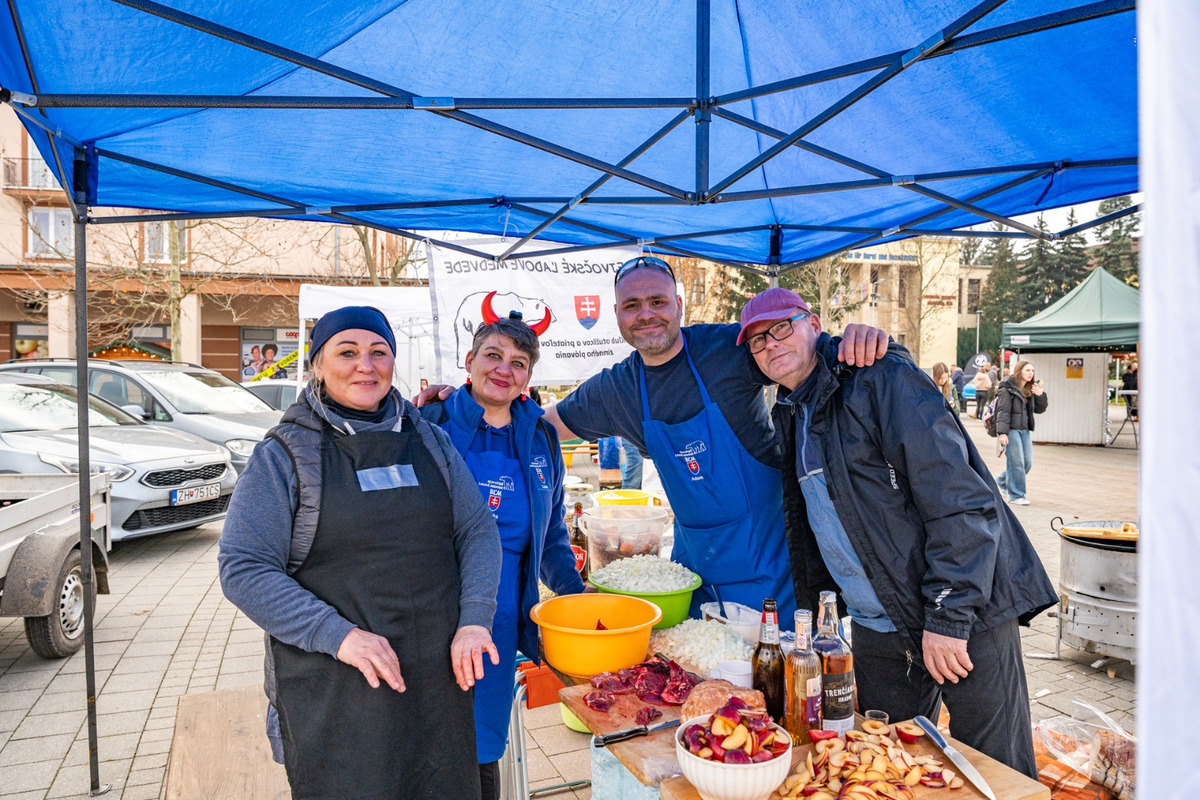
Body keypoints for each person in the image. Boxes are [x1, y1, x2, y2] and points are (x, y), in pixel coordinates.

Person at [417, 256, 888, 621]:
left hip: (775, 566)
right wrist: (464, 400)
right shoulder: (616, 389)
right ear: (617, 315)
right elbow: (537, 425)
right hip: (695, 577)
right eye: (632, 306)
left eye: (658, 302)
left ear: (678, 305)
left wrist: (852, 340)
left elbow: (800, 353)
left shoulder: (729, 349)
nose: (646, 315)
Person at [739, 287, 1056, 778]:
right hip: (879, 628)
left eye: (782, 327)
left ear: (814, 324)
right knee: (888, 769)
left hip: (963, 613)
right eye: (758, 340)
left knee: (997, 774)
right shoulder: (791, 412)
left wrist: (949, 616)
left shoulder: (879, 376)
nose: (771, 344)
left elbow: (959, 499)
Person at [218, 306, 502, 800]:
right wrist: (339, 636)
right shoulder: (285, 455)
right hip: (338, 686)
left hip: (436, 682)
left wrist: (475, 619)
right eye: (346, 352)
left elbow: (476, 530)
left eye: (378, 352)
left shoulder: (430, 440)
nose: (365, 366)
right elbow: (243, 567)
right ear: (318, 365)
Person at [418, 316, 585, 800]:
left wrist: (577, 598)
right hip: (428, 610)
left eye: (518, 362)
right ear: (469, 360)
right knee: (424, 740)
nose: (503, 370)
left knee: (481, 743)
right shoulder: (429, 423)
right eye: (493, 355)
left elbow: (551, 535)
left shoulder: (541, 437)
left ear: (528, 376)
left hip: (499, 621)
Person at [995, 360, 1048, 506]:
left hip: (1024, 429)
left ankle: (1001, 481)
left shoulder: (1030, 389)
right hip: (1010, 429)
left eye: (1032, 370)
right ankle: (1016, 495)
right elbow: (1003, 411)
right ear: (1019, 371)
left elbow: (1039, 409)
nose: (1031, 373)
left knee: (1027, 462)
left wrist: (1040, 395)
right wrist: (1002, 433)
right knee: (1016, 461)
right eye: (1027, 370)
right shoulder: (1007, 387)